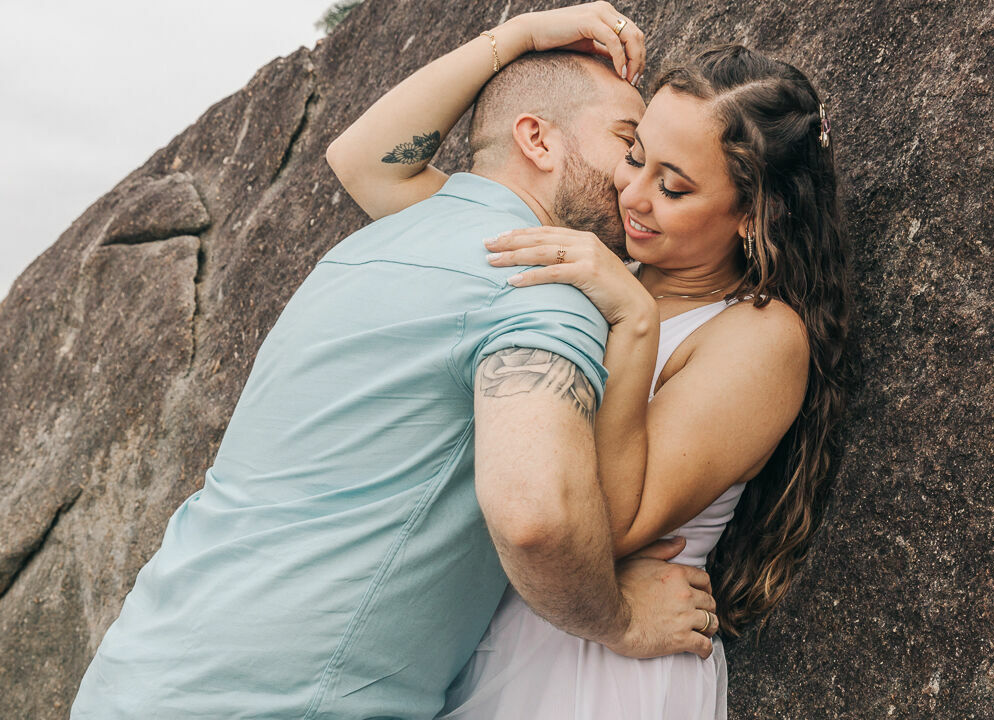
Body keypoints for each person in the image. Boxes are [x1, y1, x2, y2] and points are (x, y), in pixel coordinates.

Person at [69, 5, 721, 719]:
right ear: (536, 138)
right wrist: (620, 620)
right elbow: (537, 517)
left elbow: (360, 157)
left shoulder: (372, 247)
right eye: (626, 145)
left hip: (135, 676)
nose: (636, 184)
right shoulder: (536, 282)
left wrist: (520, 36)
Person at [329, 3, 851, 718]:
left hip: (610, 669)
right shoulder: (593, 257)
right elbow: (366, 168)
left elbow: (608, 523)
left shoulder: (761, 337)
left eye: (674, 187)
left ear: (752, 216)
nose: (632, 194)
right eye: (635, 154)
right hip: (503, 633)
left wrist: (634, 324)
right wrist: (516, 38)